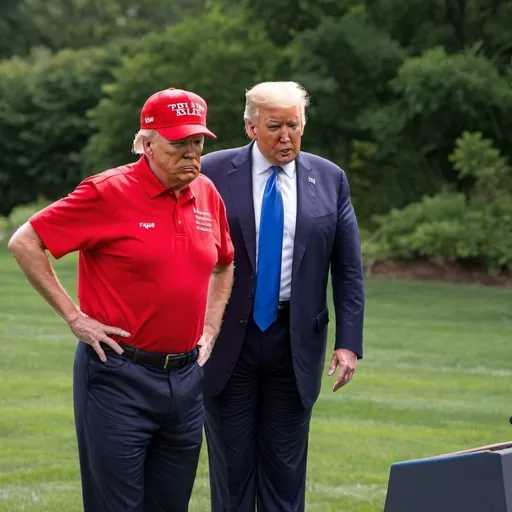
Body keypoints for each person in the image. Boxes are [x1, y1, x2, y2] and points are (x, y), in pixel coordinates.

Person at [8, 87, 235, 512]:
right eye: (177, 143)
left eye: (197, 142)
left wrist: (210, 326)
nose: (190, 154)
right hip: (118, 375)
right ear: (146, 144)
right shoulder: (107, 192)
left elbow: (225, 264)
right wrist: (75, 318)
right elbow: (26, 241)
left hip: (185, 380)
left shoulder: (206, 193)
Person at [200, 81, 365, 512]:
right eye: (275, 126)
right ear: (251, 127)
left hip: (295, 344)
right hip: (225, 344)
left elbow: (347, 269)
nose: (286, 136)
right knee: (232, 477)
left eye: (294, 125)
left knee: (285, 477)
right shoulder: (212, 172)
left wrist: (348, 343)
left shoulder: (330, 179)